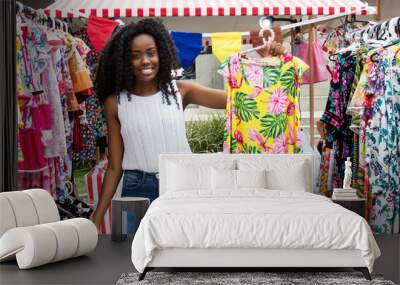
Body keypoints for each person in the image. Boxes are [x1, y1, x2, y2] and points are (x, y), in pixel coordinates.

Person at [92, 18, 285, 231]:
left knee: (183, 253)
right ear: (123, 61)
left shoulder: (181, 91)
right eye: (135, 56)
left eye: (151, 52)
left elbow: (241, 99)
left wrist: (268, 62)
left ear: (162, 54)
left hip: (182, 183)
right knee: (136, 258)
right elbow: (113, 166)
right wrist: (97, 215)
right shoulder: (115, 103)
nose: (145, 61)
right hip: (137, 188)